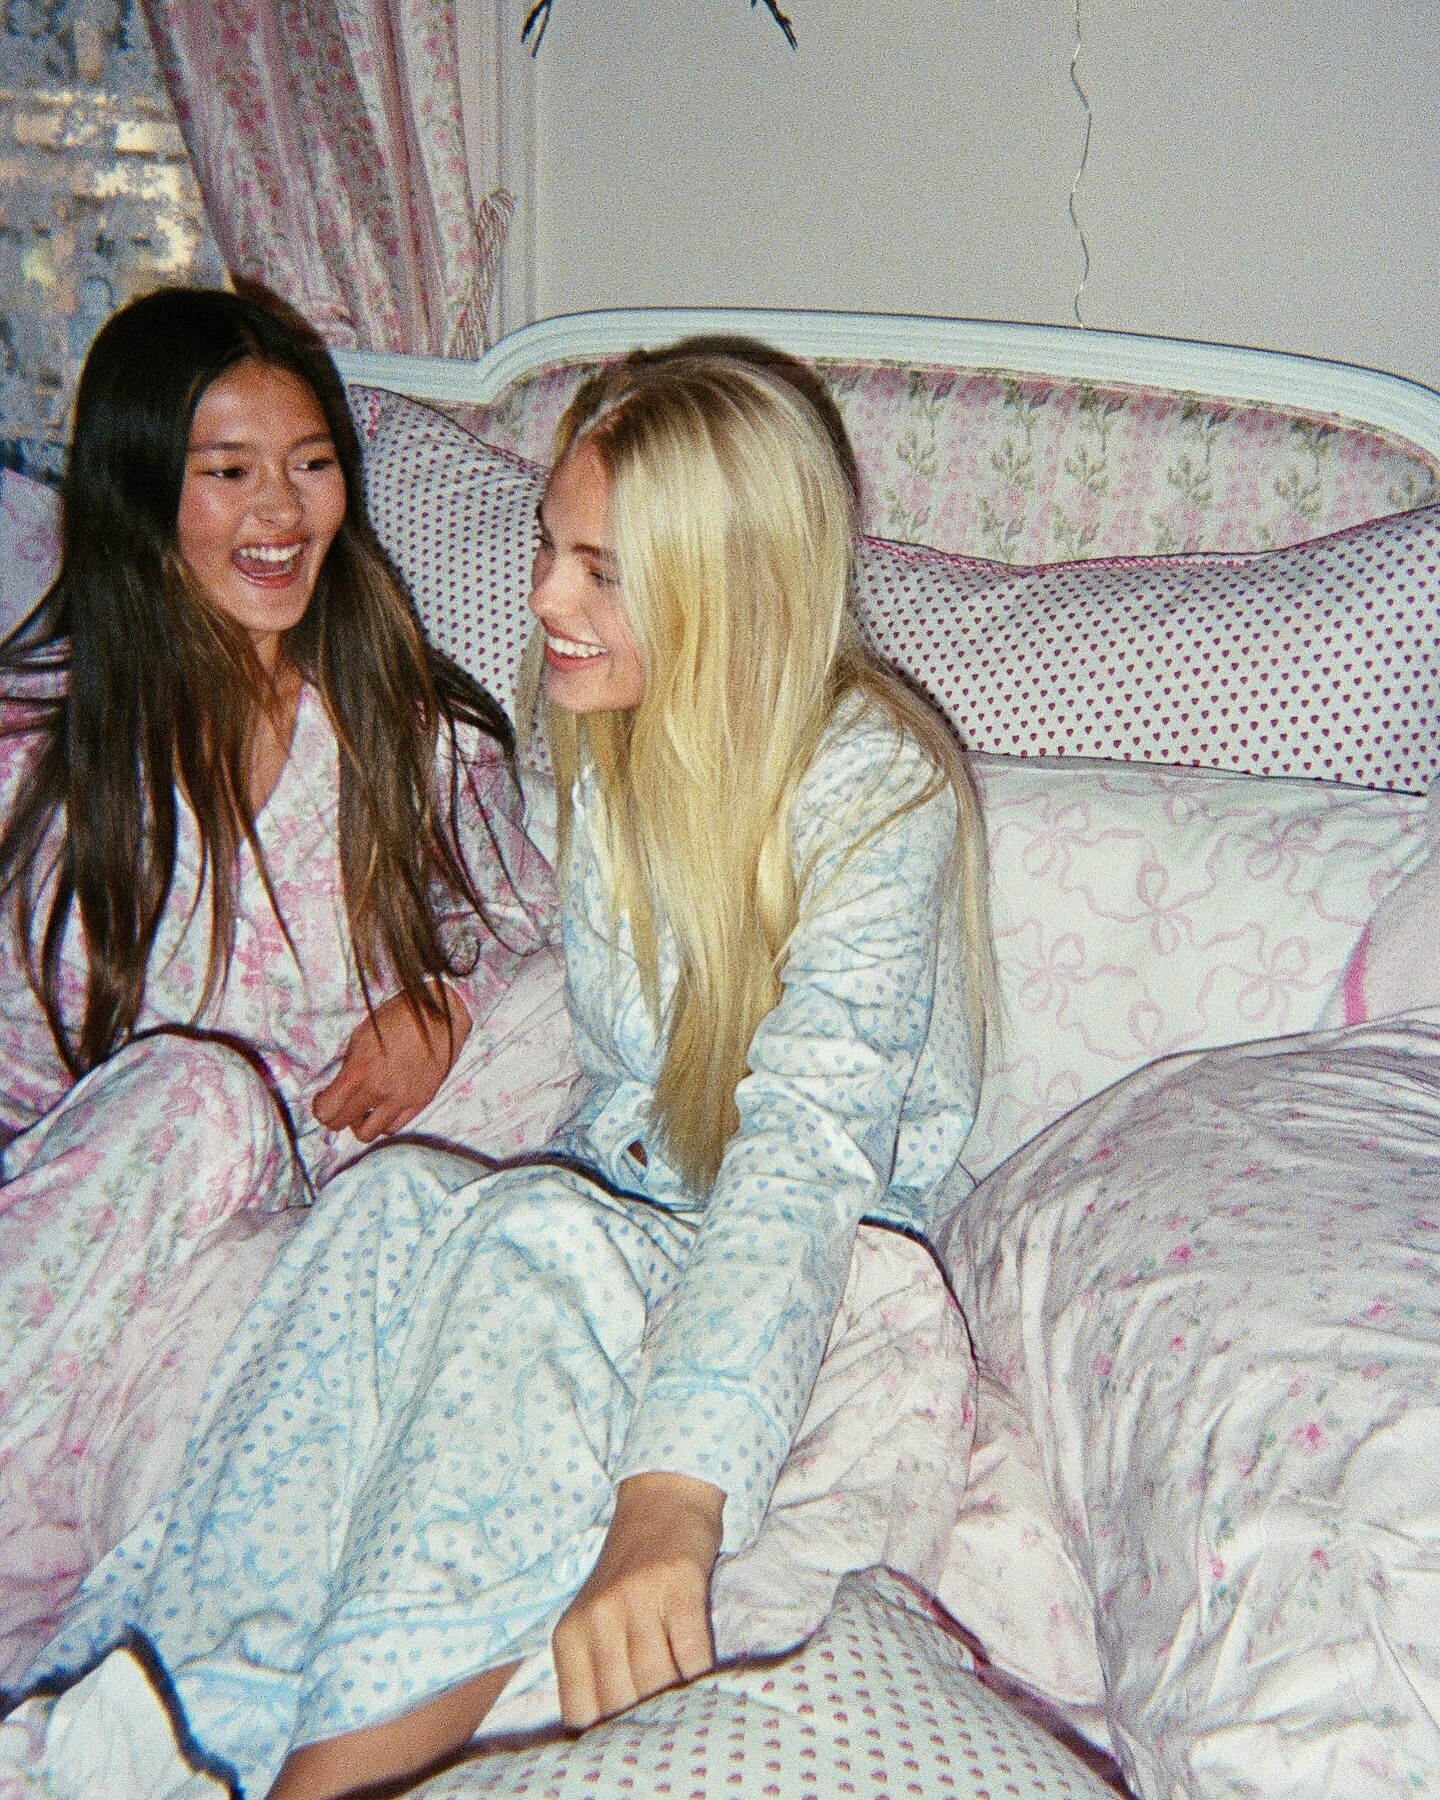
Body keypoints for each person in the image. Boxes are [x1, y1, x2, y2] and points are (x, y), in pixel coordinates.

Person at [30, 340, 991, 1799]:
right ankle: (179, 1711)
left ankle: (324, 1779)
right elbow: (518, 927)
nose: (543, 598)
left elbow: (805, 1152)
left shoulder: (875, 791)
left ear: (729, 589)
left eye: (601, 570)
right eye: (550, 546)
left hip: (818, 1258)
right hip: (629, 1196)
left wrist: (673, 1497)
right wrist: (452, 1010)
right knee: (383, 1208)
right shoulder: (612, 734)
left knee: (532, 1238)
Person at [0, 287, 576, 1679]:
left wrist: (447, 998)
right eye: (228, 470)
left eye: (312, 463)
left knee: (572, 999)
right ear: (140, 493)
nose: (281, 510)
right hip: (99, 1253)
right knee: (195, 1100)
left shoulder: (405, 734)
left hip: (323, 1240)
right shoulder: (37, 764)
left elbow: (528, 921)